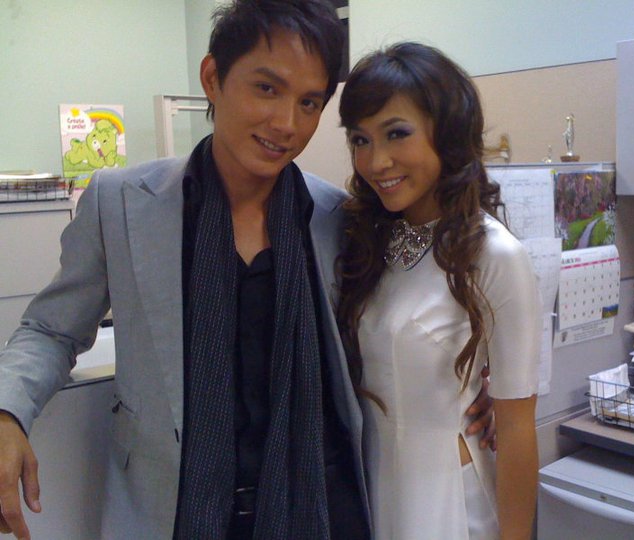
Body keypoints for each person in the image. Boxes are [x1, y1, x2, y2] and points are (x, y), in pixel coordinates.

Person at [0, 3, 494, 539]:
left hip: (319, 508)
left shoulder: (338, 219)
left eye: (309, 102)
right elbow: (51, 329)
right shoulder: (121, 204)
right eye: (266, 88)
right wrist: (7, 411)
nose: (286, 124)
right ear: (213, 78)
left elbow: (397, 326)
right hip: (176, 513)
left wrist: (472, 384)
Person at [336, 42, 541, 539]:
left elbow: (516, 428)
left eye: (397, 133)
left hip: (449, 500)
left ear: (446, 132)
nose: (376, 161)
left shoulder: (495, 255)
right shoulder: (365, 241)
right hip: (373, 490)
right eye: (361, 140)